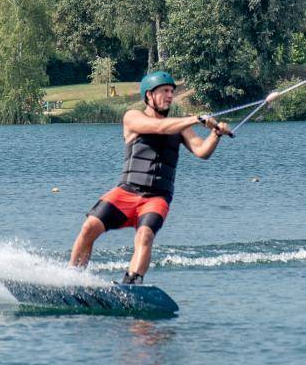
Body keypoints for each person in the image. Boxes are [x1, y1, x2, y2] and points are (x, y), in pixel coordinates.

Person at [68, 69, 232, 284]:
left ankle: (132, 285)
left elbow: (202, 151)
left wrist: (216, 134)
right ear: (149, 95)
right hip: (126, 191)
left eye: (172, 91)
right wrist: (195, 118)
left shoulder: (180, 128)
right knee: (90, 226)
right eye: (164, 91)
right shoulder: (133, 117)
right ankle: (71, 278)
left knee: (145, 235)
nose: (170, 95)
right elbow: (158, 127)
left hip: (157, 197)